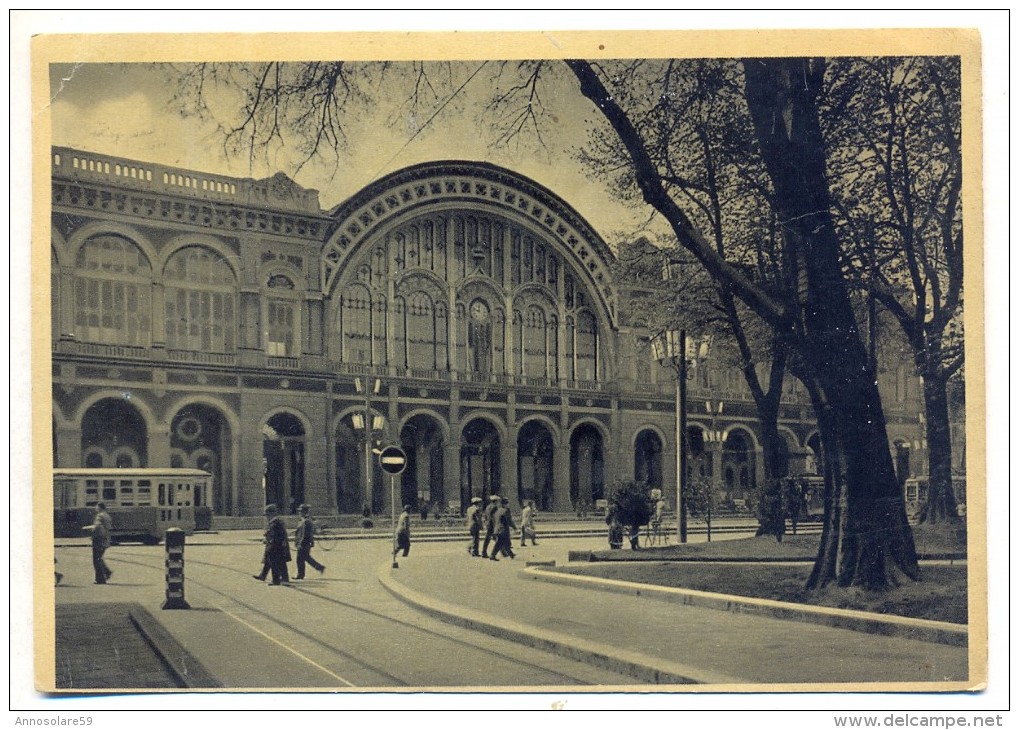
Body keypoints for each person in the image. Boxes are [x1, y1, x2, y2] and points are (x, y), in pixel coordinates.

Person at [261, 504, 292, 586]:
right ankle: (278, 580)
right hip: (276, 546)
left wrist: (270, 541)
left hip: (276, 546)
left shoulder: (276, 523)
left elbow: (279, 535)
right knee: (277, 563)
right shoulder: (274, 522)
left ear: (272, 514)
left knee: (277, 564)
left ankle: (280, 580)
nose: (267, 517)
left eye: (267, 515)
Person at [293, 504, 326, 579]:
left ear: (304, 512)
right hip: (306, 543)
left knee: (300, 559)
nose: (299, 513)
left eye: (301, 511)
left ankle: (300, 575)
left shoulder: (306, 521)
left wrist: (300, 543)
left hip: (304, 543)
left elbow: (305, 534)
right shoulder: (304, 520)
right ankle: (319, 567)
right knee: (306, 558)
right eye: (299, 511)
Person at [88, 502, 114, 584]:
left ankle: (100, 579)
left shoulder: (99, 516)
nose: (95, 508)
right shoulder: (107, 515)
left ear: (99, 507)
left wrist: (92, 533)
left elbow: (97, 527)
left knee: (96, 560)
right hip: (106, 538)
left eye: (96, 507)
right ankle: (106, 572)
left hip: (99, 539)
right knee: (99, 558)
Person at [480, 494, 500, 558]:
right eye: (497, 501)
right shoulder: (495, 507)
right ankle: (504, 552)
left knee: (488, 539)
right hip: (492, 524)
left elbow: (485, 516)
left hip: (488, 524)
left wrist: (486, 522)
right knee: (498, 538)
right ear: (495, 501)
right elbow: (494, 517)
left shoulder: (488, 507)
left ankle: (484, 552)